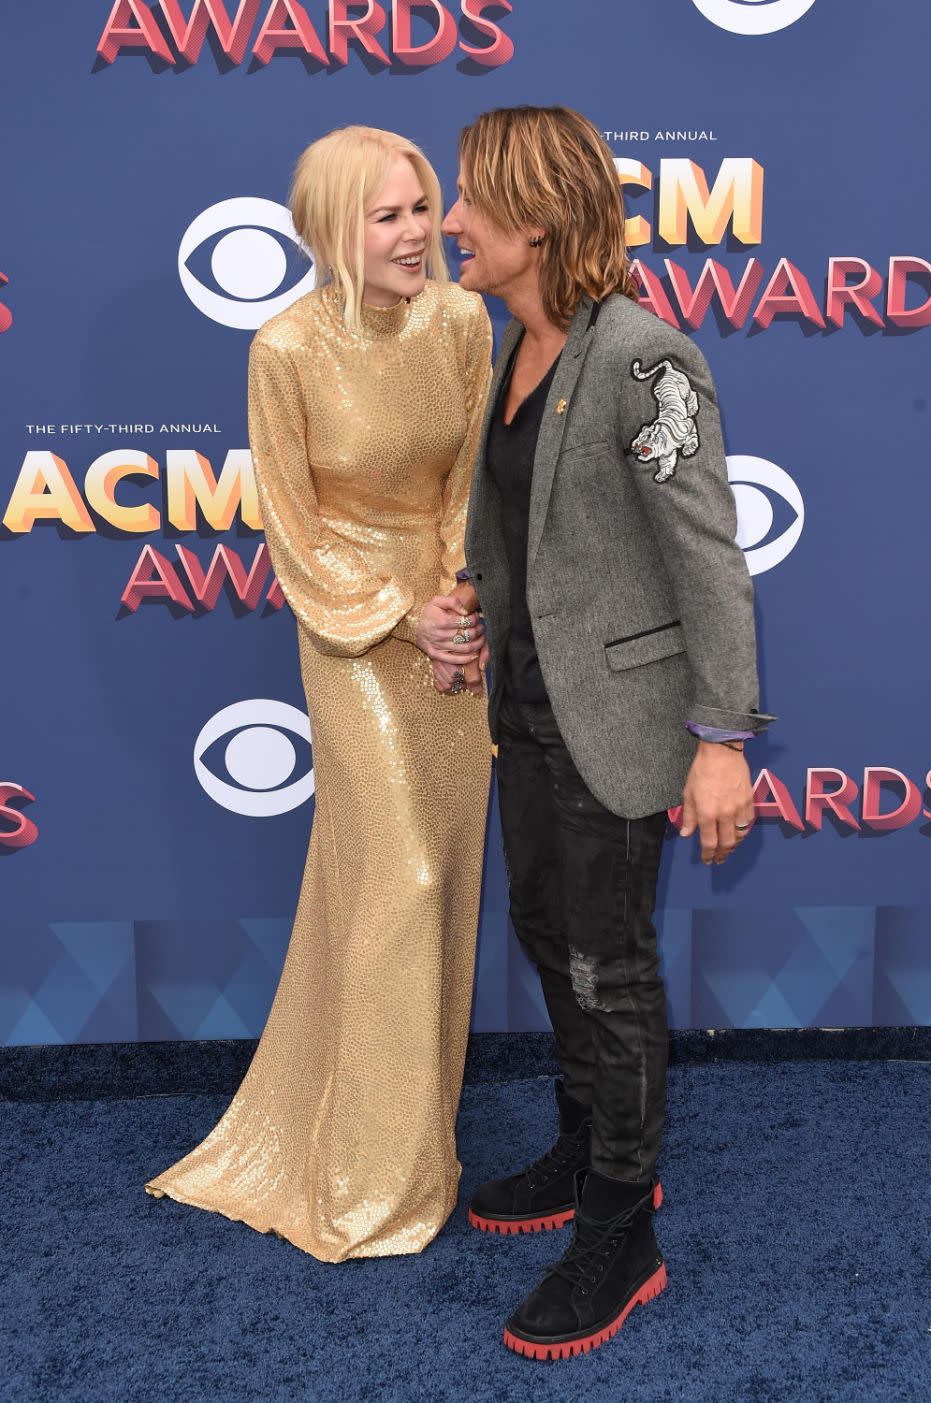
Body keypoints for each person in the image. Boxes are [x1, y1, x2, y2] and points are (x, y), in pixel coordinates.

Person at [437, 105, 774, 1358]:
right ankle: (589, 1146)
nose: (452, 221)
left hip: (622, 722)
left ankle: (623, 1222)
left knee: (606, 965)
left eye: (469, 199)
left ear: (536, 220)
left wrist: (722, 736)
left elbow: (708, 558)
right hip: (525, 712)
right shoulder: (508, 348)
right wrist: (472, 600)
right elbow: (527, 523)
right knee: (543, 927)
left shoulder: (645, 359)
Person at [146, 126, 493, 1262]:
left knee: (435, 887)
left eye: (423, 207)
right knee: (404, 871)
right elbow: (293, 524)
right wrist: (398, 611)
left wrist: (451, 602)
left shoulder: (460, 321)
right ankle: (368, 1183)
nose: (417, 233)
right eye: (387, 215)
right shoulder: (284, 345)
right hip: (350, 637)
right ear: (330, 230)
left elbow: (471, 479)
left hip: (453, 628)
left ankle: (410, 1147)